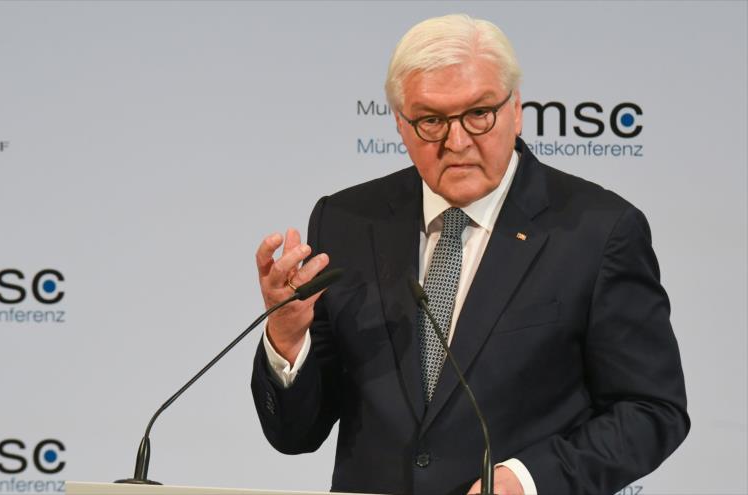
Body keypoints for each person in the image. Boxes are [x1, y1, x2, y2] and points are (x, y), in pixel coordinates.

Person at [251, 14, 688, 495]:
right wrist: (287, 340)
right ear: (400, 124)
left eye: (479, 113)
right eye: (431, 120)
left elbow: (652, 410)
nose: (456, 142)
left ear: (516, 109)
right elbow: (296, 434)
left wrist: (528, 479)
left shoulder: (599, 231)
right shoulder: (347, 221)